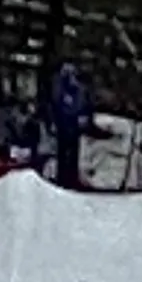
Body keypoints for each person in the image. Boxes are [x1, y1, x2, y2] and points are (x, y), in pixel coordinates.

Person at [47, 57, 93, 189]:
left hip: (73, 121)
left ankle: (71, 178)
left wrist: (84, 116)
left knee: (73, 151)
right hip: (62, 120)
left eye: (72, 69)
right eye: (66, 70)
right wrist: (53, 120)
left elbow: (85, 101)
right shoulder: (58, 84)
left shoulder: (79, 85)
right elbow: (54, 102)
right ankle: (62, 177)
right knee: (62, 151)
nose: (69, 72)